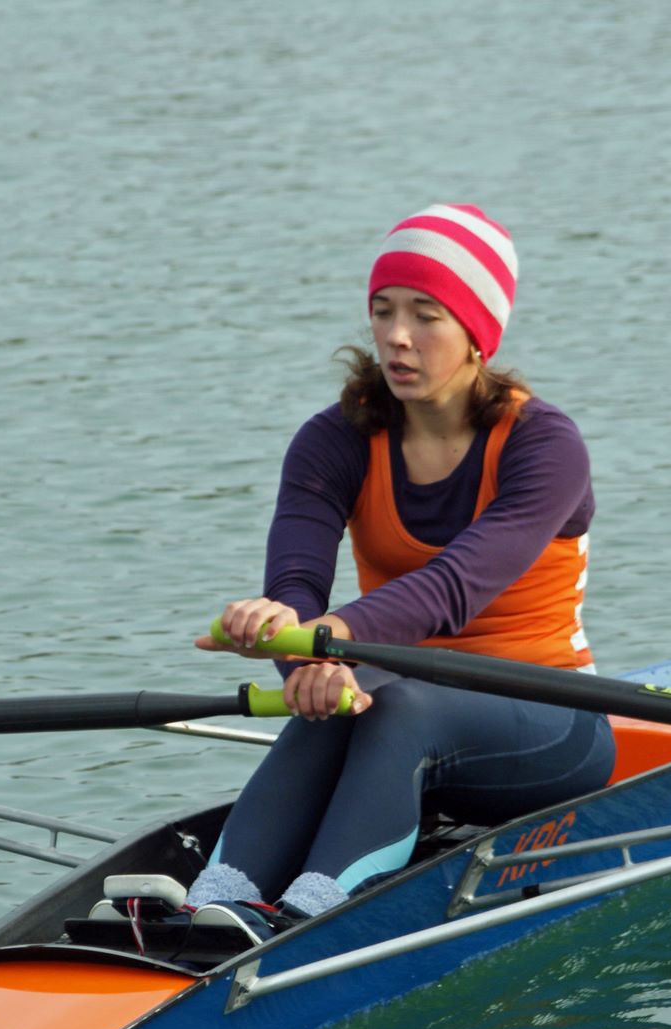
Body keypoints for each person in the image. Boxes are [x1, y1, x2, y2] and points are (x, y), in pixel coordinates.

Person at [186, 204, 614, 939]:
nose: (397, 336)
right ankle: (211, 905)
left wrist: (330, 640)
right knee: (346, 700)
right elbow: (297, 582)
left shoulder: (545, 446)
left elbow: (454, 588)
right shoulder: (336, 440)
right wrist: (292, 646)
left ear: (477, 334)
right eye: (383, 311)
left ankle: (314, 917)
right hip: (392, 697)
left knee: (392, 703)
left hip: (551, 720)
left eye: (425, 315)